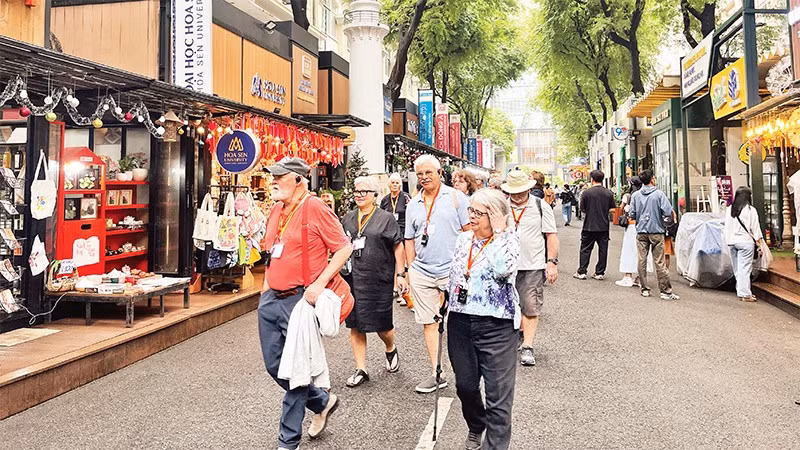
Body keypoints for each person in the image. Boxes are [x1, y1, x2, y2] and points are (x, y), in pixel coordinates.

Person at [259, 157, 351, 450]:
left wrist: (318, 284)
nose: (273, 181)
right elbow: (272, 251)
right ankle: (322, 401)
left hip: (300, 301)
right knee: (275, 366)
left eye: (280, 176)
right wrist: (264, 290)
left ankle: (287, 441)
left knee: (296, 370)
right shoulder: (276, 209)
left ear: (299, 180)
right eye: (272, 176)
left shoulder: (315, 207)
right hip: (272, 298)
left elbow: (343, 248)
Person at [446, 188, 520, 450]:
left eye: (480, 212)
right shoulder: (463, 239)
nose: (473, 217)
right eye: (471, 210)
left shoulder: (509, 240)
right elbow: (456, 274)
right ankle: (477, 424)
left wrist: (500, 233)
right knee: (465, 386)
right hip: (460, 322)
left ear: (496, 216)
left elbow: (503, 270)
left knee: (498, 398)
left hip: (497, 325)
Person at [405, 154, 470, 393]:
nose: (423, 178)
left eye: (428, 173)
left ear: (439, 172)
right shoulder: (413, 203)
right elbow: (409, 239)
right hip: (422, 271)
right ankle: (436, 372)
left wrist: (466, 268)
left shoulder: (456, 198)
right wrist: (410, 269)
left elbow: (469, 234)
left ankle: (466, 371)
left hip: (452, 271)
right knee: (429, 323)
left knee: (458, 322)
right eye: (420, 174)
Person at [341, 176, 408, 387]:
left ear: (374, 195)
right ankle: (361, 368)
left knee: (382, 326)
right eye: (356, 191)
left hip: (379, 278)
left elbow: (398, 246)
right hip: (353, 278)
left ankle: (390, 347)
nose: (359, 195)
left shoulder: (386, 218)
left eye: (364, 192)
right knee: (356, 325)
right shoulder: (348, 218)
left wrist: (401, 274)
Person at [502, 169, 558, 366]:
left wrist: (551, 263)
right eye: (513, 191)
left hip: (532, 264)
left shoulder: (540, 206)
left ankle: (528, 346)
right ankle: (514, 336)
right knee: (505, 306)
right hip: (504, 265)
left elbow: (551, 235)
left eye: (520, 191)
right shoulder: (501, 206)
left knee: (530, 305)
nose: (516, 195)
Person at [629, 169, 680, 300]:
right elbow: (668, 211)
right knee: (659, 261)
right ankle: (665, 291)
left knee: (641, 259)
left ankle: (644, 288)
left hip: (641, 231)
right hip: (657, 231)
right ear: (652, 179)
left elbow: (632, 214)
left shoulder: (635, 195)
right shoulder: (659, 194)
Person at [573, 170, 616, 280]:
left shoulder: (586, 193)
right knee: (603, 249)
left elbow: (582, 209)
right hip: (603, 226)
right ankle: (599, 272)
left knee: (585, 248)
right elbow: (612, 209)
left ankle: (582, 271)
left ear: (592, 179)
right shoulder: (608, 193)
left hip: (589, 225)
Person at [724, 186, 763, 302]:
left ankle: (740, 291)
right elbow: (755, 228)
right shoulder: (751, 210)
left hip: (731, 242)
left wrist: (727, 240)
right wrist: (759, 243)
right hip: (745, 243)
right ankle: (745, 294)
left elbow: (726, 227)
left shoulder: (730, 209)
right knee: (744, 269)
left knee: (737, 268)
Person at [616, 177, 644, 287]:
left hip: (632, 226)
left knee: (629, 250)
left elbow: (622, 209)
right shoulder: (645, 195)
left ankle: (628, 276)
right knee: (642, 251)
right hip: (643, 226)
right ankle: (640, 277)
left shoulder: (629, 196)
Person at [379, 173, 411, 238]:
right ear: (389, 184)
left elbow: (412, 213)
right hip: (389, 230)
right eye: (393, 183)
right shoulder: (385, 199)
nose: (395, 185)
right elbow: (381, 216)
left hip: (403, 229)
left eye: (397, 183)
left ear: (400, 184)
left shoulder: (406, 197)